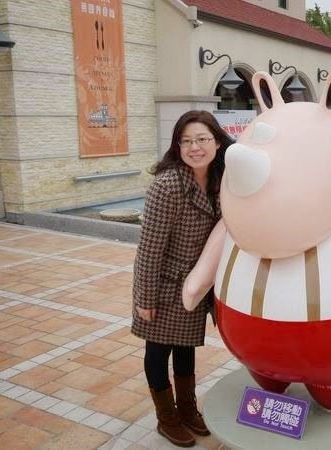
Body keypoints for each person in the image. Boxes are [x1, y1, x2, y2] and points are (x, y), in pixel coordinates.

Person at [132, 110, 233, 447]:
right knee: (158, 351)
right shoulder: (168, 185)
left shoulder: (221, 179)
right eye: (186, 141)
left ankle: (187, 409)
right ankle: (167, 418)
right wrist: (145, 299)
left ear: (217, 143)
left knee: (186, 347)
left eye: (202, 139)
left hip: (195, 283)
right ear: (177, 146)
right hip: (163, 284)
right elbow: (149, 249)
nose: (194, 147)